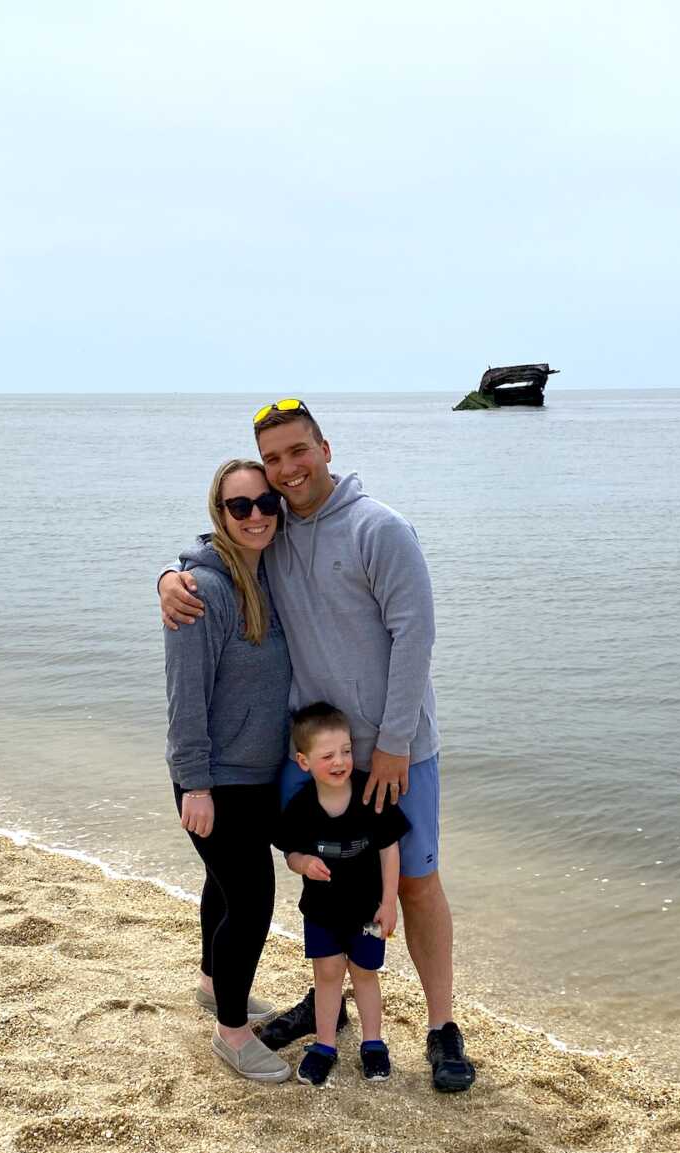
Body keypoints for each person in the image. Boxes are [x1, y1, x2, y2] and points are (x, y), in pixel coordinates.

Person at [160, 399, 476, 1092]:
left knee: (416, 884)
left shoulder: (380, 528)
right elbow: (218, 548)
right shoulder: (273, 533)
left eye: (297, 452)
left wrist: (392, 743)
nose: (286, 470)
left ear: (325, 449)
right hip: (312, 754)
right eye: (273, 461)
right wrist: (170, 575)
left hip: (396, 751)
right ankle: (325, 1001)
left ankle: (441, 1027)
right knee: (323, 879)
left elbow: (415, 636)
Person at [164, 457, 292, 1083]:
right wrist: (195, 783)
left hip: (261, 774)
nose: (257, 515)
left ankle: (215, 988)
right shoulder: (202, 591)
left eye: (266, 502)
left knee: (223, 886)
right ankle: (233, 1036)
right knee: (253, 901)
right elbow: (185, 694)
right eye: (240, 506)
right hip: (215, 776)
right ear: (220, 514)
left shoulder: (272, 573)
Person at [275, 703, 410, 1086]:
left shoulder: (371, 795)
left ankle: (373, 1043)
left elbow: (390, 849)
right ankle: (325, 1045)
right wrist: (303, 864)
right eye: (328, 755)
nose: (340, 761)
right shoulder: (300, 806)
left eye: (347, 751)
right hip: (320, 911)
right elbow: (290, 854)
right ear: (304, 762)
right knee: (328, 974)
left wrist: (388, 903)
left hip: (368, 909)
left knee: (366, 974)